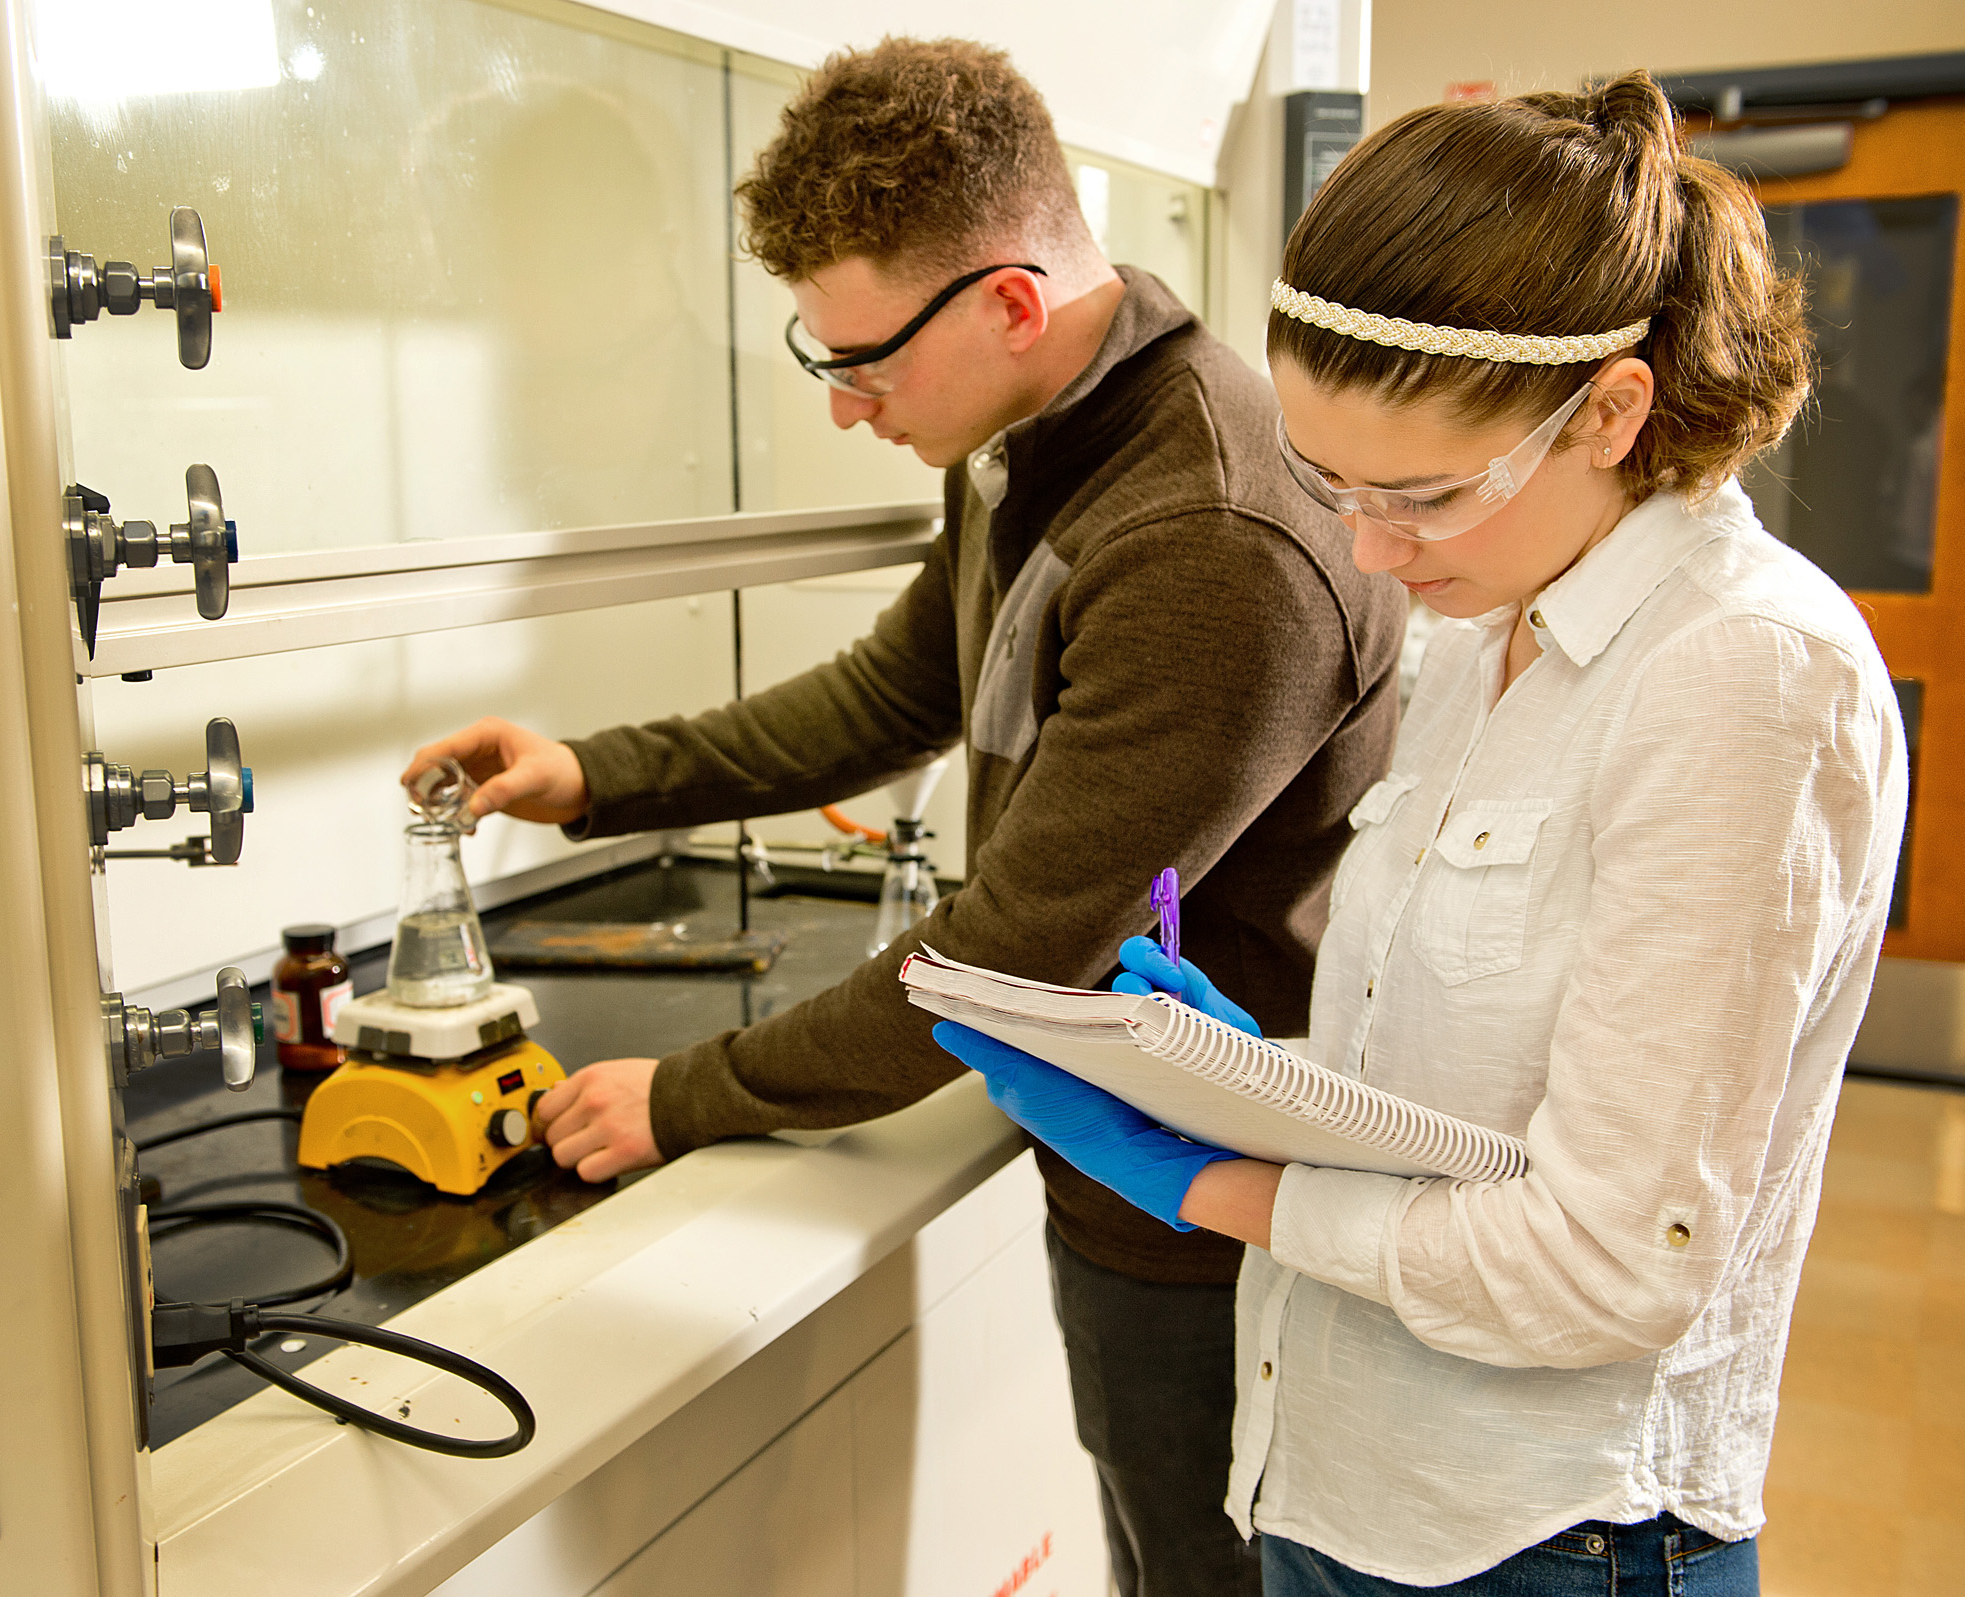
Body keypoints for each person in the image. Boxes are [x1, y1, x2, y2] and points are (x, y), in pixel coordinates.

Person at [403, 37, 1404, 1597]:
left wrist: (685, 1094)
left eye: (863, 363)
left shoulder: (1209, 533)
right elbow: (889, 695)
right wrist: (595, 773)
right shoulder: (1032, 438)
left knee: (1209, 1573)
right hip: (1123, 1162)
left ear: (1009, 300)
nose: (849, 408)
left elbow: (1007, 955)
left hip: (1225, 1221)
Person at [934, 70, 1910, 1596]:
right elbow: (1458, 1093)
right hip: (1344, 1467)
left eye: (1425, 494)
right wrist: (1248, 1075)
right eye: (1331, 488)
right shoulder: (1489, 621)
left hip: (1546, 1532)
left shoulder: (1739, 674)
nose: (1373, 551)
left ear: (1611, 409)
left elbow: (1611, 1258)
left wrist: (1215, 1186)